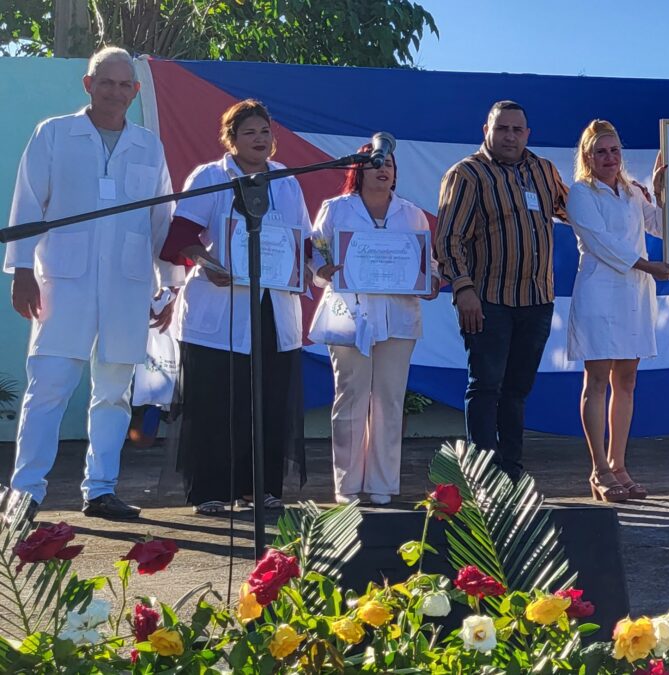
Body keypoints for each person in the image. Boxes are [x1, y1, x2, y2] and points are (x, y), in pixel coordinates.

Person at [3, 47, 181, 522]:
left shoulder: (148, 146)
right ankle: (25, 493)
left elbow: (162, 218)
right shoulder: (55, 134)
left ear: (136, 91)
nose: (116, 92)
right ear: (88, 84)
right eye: (107, 82)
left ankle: (100, 489)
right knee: (49, 388)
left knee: (114, 392)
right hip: (63, 283)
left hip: (128, 287)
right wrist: (20, 270)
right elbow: (27, 204)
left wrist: (170, 285)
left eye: (126, 85)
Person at [158, 99, 308, 515]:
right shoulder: (210, 177)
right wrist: (207, 264)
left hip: (272, 310)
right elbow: (179, 240)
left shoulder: (286, 180)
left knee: (267, 401)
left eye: (265, 132)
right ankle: (209, 491)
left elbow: (302, 241)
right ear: (231, 139)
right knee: (215, 402)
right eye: (249, 133)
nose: (260, 139)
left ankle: (258, 489)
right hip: (219, 309)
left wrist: (317, 263)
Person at [434, 100, 568, 481]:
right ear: (486, 131)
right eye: (502, 128)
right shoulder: (466, 174)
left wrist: (631, 193)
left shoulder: (543, 171)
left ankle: (511, 471)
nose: (510, 136)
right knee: (486, 386)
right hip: (487, 298)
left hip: (537, 299)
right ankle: (483, 477)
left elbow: (579, 210)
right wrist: (463, 289)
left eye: (517, 129)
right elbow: (448, 239)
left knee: (517, 391)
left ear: (528, 133)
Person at [309, 143, 439, 506]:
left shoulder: (412, 214)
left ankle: (383, 486)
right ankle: (346, 487)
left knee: (389, 401)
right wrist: (322, 270)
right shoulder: (336, 209)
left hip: (398, 320)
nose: (384, 169)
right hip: (348, 317)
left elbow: (426, 265)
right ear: (358, 169)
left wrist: (431, 282)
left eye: (390, 164)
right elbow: (317, 254)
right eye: (375, 163)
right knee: (350, 398)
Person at [565, 120, 669, 502]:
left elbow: (664, 228)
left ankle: (619, 465)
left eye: (614, 150)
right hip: (600, 294)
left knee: (627, 382)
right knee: (597, 380)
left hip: (634, 295)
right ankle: (598, 469)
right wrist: (651, 267)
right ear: (588, 155)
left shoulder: (633, 192)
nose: (610, 158)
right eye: (601, 151)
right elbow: (600, 242)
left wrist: (663, 195)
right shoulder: (581, 194)